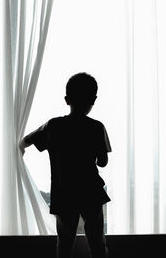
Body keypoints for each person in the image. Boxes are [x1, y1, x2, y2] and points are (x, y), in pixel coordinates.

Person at [19, 73, 111, 258]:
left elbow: (26, 140)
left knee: (64, 245)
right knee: (97, 244)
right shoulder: (96, 127)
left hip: (64, 192)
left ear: (67, 99)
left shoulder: (53, 126)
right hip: (91, 191)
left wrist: (20, 148)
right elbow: (103, 162)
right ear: (93, 100)